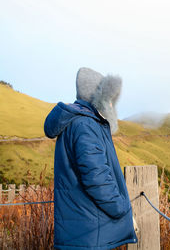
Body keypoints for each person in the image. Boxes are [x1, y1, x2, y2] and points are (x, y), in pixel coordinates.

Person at [44, 67, 138, 250]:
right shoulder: (86, 125)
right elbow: (97, 179)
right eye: (109, 98)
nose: (112, 105)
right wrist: (123, 209)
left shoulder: (77, 122)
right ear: (98, 98)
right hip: (90, 235)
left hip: (82, 232)